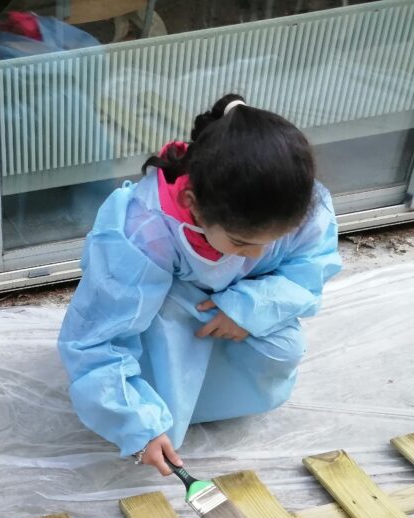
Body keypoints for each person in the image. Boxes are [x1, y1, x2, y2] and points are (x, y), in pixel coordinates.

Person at [57, 94, 342, 476]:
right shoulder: (145, 231)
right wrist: (136, 422)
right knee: (167, 372)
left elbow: (309, 267)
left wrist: (247, 308)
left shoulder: (294, 203)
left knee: (281, 350)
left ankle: (197, 399)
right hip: (162, 313)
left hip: (230, 303)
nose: (258, 255)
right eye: (241, 243)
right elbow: (97, 338)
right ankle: (159, 407)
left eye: (271, 242)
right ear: (192, 203)